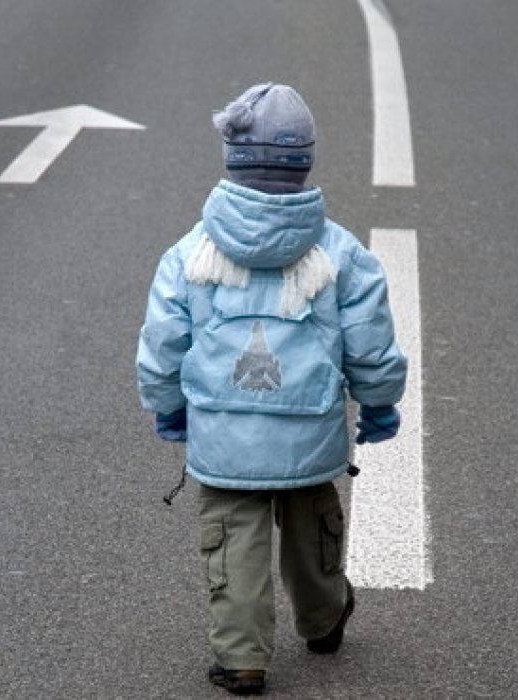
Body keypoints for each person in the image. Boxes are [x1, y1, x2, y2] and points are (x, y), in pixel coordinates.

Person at [136, 82, 407, 696]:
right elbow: (371, 343)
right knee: (313, 526)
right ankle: (324, 616)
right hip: (309, 428)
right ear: (304, 161)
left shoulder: (189, 253)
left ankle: (241, 659)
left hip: (222, 436)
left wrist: (168, 406)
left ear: (231, 158)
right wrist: (379, 401)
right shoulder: (341, 253)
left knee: (234, 539)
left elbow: (162, 344)